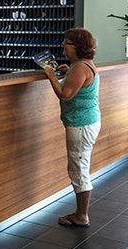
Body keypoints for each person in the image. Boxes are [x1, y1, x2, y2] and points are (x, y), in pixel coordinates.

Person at [43, 28, 100, 228]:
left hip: (81, 124)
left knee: (79, 169)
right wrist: (68, 73)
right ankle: (80, 213)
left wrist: (51, 75)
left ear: (77, 46)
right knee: (79, 166)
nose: (63, 45)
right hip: (87, 122)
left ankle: (82, 216)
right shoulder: (82, 65)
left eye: (66, 42)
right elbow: (79, 84)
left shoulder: (81, 68)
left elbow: (65, 95)